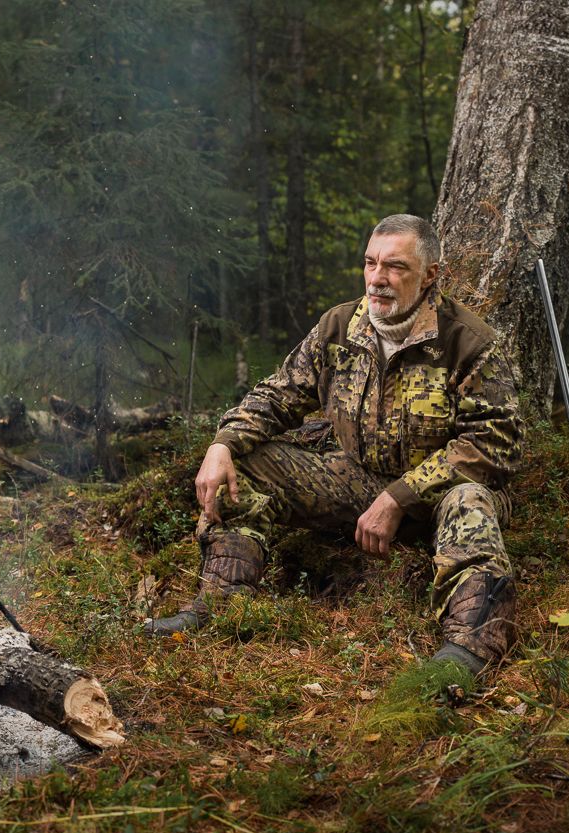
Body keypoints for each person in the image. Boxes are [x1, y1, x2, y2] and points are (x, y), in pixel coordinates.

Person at [144, 214, 525, 674]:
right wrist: (223, 444)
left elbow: (493, 446)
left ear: (430, 276)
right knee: (245, 464)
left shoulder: (466, 341)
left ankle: (468, 651)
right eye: (370, 263)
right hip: (357, 482)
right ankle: (222, 603)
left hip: (441, 496)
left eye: (395, 267)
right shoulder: (341, 326)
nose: (378, 279)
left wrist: (398, 497)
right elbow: (278, 395)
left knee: (471, 501)